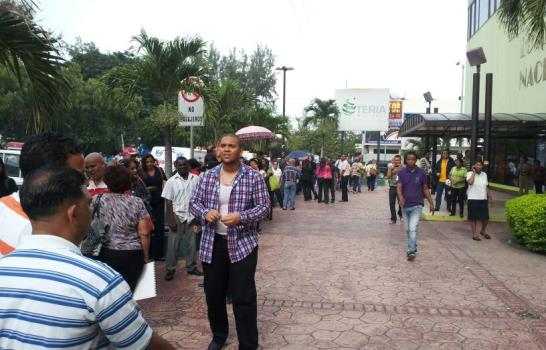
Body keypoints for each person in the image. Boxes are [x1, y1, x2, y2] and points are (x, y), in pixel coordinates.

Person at [0, 166, 173, 349]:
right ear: (73, 213)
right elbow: (146, 345)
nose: (91, 211)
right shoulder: (100, 281)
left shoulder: (4, 267)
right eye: (88, 204)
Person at [190, 134, 270, 350]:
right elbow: (194, 203)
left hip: (242, 244)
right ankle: (219, 336)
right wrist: (205, 212)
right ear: (218, 149)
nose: (226, 149)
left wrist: (241, 217)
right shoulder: (207, 176)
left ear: (240, 150)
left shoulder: (252, 177)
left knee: (243, 297)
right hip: (212, 243)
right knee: (213, 295)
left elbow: (264, 207)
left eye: (231, 146)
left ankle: (248, 343)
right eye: (223, 145)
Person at [0, 133, 84, 257]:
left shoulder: (3, 204)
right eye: (79, 175)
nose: (84, 182)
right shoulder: (48, 229)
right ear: (48, 175)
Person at [95, 165, 151, 292]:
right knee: (134, 293)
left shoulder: (98, 200)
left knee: (112, 292)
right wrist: (146, 257)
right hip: (133, 253)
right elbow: (144, 233)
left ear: (107, 180)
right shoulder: (136, 202)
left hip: (107, 252)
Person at [162, 157, 202, 281]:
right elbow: (168, 201)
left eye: (185, 165)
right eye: (180, 165)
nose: (183, 167)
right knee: (173, 244)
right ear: (175, 166)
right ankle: (170, 269)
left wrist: (199, 216)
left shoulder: (196, 179)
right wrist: (170, 220)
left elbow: (200, 197)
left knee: (192, 243)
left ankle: (192, 266)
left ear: (188, 166)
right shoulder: (171, 181)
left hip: (192, 215)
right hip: (177, 215)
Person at [397, 151, 435, 261]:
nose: (411, 161)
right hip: (405, 205)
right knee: (408, 230)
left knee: (412, 229)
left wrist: (431, 203)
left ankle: (411, 251)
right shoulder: (401, 172)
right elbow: (399, 187)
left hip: (417, 205)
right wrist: (400, 197)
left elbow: (425, 189)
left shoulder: (422, 173)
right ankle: (413, 245)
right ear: (406, 160)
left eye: (413, 159)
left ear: (416, 160)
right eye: (408, 159)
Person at [140, 154, 166, 261]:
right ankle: (148, 253)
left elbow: (166, 181)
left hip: (159, 201)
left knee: (159, 227)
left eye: (151, 161)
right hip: (147, 204)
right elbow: (138, 186)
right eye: (147, 162)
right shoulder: (140, 173)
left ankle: (158, 254)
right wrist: (147, 188)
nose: (150, 164)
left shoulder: (159, 170)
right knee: (148, 228)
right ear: (144, 163)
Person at [466, 161, 493, 241]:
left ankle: (483, 231)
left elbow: (486, 186)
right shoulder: (469, 173)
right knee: (473, 218)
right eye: (477, 165)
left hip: (483, 198)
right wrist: (473, 173)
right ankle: (474, 234)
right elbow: (470, 182)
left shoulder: (484, 174)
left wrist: (490, 197)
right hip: (473, 198)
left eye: (480, 165)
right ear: (474, 166)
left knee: (485, 218)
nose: (479, 166)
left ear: (482, 166)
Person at [387, 155, 403, 224]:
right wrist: (391, 169)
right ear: (393, 161)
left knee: (401, 203)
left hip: (401, 188)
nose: (396, 161)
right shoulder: (391, 167)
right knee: (391, 203)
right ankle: (394, 218)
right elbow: (388, 176)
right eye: (395, 160)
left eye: (398, 160)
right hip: (392, 187)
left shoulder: (404, 168)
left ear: (400, 160)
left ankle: (400, 213)